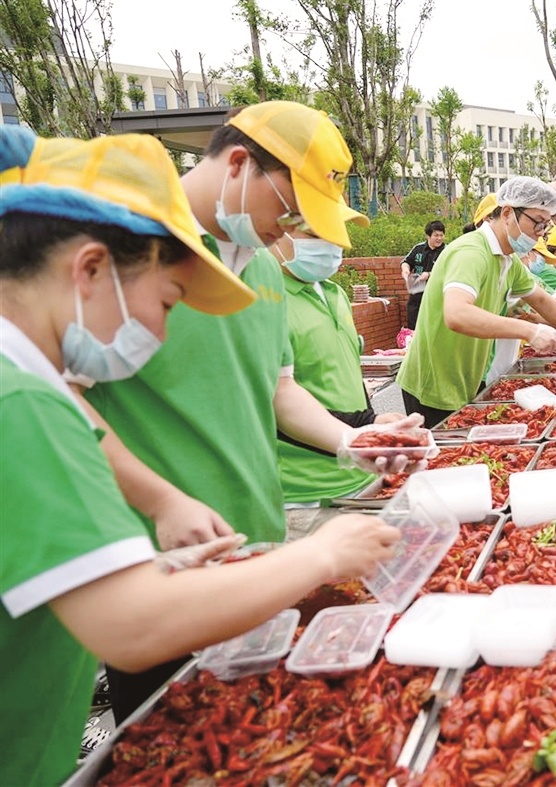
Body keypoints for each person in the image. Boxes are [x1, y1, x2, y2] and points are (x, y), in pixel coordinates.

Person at [0, 128, 401, 786]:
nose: (160, 333)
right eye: (167, 302)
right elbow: (128, 627)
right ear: (91, 268)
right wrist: (321, 555)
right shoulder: (23, 400)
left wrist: (165, 562)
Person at [80, 101, 423, 720]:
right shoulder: (121, 248)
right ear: (239, 164)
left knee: (262, 726)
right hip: (163, 562)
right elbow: (60, 402)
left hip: (256, 546)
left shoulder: (262, 264)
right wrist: (160, 501)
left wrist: (351, 440)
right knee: (168, 736)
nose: (289, 229)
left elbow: (277, 388)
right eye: (289, 210)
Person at [397, 177, 556, 425]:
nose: (539, 235)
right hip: (433, 383)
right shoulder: (471, 252)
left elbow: (540, 299)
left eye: (544, 227)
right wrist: (530, 330)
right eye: (537, 223)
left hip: (467, 375)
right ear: (506, 213)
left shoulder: (507, 259)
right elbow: (457, 314)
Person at [271, 230, 400, 506]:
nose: (331, 243)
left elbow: (349, 371)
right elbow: (272, 400)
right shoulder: (266, 300)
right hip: (305, 492)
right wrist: (361, 430)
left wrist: (371, 421)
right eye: (313, 233)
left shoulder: (335, 292)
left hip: (362, 475)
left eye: (334, 230)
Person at [400, 220, 446, 329]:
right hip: (417, 289)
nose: (439, 238)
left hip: (436, 291)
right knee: (414, 319)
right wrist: (405, 270)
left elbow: (449, 270)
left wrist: (429, 274)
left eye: (441, 235)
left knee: (433, 321)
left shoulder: (446, 251)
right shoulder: (418, 248)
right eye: (436, 235)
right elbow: (406, 262)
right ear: (428, 236)